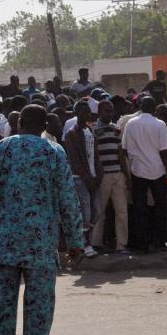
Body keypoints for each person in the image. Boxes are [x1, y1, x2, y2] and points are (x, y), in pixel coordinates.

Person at [0, 104, 84, 335]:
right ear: (45, 124)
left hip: (3, 244)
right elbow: (68, 199)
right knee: (39, 311)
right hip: (41, 245)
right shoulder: (53, 152)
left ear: (19, 122)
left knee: (2, 309)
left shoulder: (1, 149)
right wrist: (75, 242)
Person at [121, 96, 167, 253]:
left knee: (140, 208)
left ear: (141, 107)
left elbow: (124, 148)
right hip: (157, 171)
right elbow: (164, 151)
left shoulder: (130, 123)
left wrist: (136, 156)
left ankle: (142, 244)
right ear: (154, 108)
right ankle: (159, 243)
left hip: (138, 171)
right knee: (160, 208)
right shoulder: (160, 125)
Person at [64, 100, 102, 258]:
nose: (87, 114)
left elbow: (96, 155)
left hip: (93, 177)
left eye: (88, 111)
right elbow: (75, 160)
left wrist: (99, 174)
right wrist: (88, 179)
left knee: (97, 211)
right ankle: (85, 245)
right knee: (85, 212)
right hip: (80, 179)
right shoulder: (72, 133)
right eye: (84, 111)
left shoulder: (90, 131)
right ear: (77, 113)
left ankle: (86, 241)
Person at [92, 100, 129, 253]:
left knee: (122, 211)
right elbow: (94, 154)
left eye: (111, 111)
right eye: (107, 111)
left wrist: (125, 174)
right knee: (99, 211)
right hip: (103, 175)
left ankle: (121, 245)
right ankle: (96, 243)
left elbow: (120, 153)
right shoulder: (93, 129)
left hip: (118, 173)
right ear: (99, 112)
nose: (109, 113)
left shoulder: (116, 129)